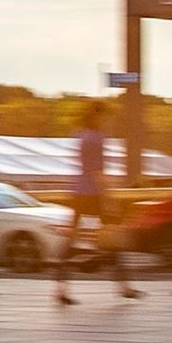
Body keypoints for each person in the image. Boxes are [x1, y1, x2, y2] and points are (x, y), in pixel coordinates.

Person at [54, 101, 141, 304]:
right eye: (105, 116)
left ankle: (60, 288)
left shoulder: (81, 135)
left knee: (73, 240)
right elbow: (97, 172)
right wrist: (109, 197)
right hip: (93, 195)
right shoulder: (96, 138)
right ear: (97, 116)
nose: (107, 120)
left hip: (79, 194)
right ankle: (124, 287)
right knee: (112, 238)